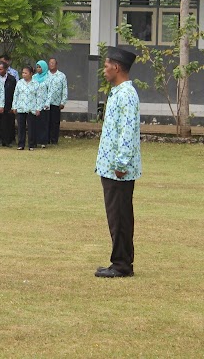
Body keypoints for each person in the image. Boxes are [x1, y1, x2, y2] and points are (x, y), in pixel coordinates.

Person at [95, 47, 141, 278]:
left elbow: (127, 132)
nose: (104, 70)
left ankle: (122, 265)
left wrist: (121, 164)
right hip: (111, 167)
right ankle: (121, 261)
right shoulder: (118, 92)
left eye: (106, 66)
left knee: (120, 216)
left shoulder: (126, 95)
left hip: (118, 170)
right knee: (117, 216)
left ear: (117, 67)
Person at [12, 65, 42, 150]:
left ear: (31, 74)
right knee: (21, 127)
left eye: (26, 73)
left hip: (31, 108)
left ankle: (31, 144)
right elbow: (16, 95)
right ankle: (21, 144)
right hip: (21, 107)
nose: (24, 74)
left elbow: (39, 97)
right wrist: (14, 106)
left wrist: (38, 108)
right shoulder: (19, 83)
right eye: (23, 73)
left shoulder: (36, 83)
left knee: (31, 127)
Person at [0, 61, 17, 147]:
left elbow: (14, 92)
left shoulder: (11, 79)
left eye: (1, 69)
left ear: (6, 69)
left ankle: (7, 141)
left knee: (7, 122)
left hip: (8, 103)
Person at [46, 57, 68, 145]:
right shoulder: (45, 75)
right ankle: (46, 139)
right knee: (46, 121)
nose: (51, 65)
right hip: (46, 103)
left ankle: (54, 139)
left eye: (53, 63)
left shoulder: (62, 76)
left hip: (56, 102)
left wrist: (63, 102)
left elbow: (64, 89)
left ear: (56, 64)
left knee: (55, 122)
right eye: (50, 63)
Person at [33, 60, 51, 148]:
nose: (38, 69)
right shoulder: (34, 77)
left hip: (44, 105)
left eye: (40, 67)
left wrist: (47, 104)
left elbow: (50, 92)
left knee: (43, 123)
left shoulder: (48, 78)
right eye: (37, 67)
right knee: (35, 123)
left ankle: (43, 141)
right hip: (35, 104)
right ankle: (35, 140)